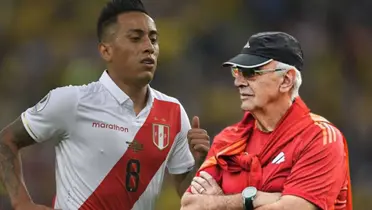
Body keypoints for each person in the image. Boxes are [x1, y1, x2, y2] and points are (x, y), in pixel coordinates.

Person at [0, 0, 210, 209]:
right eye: (136, 38)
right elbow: (6, 141)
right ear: (106, 51)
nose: (149, 47)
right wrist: (21, 203)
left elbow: (185, 191)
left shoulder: (172, 111)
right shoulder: (72, 101)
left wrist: (200, 163)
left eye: (153, 39)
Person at [180, 32, 352, 210]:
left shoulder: (320, 137)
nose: (238, 82)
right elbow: (189, 205)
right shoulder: (227, 140)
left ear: (286, 80)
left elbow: (294, 208)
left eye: (250, 72)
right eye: (237, 72)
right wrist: (256, 198)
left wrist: (220, 203)